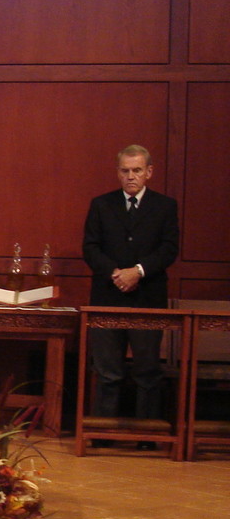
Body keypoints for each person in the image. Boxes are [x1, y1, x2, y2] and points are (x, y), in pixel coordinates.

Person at [81, 144, 180, 439]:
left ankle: (146, 437)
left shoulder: (165, 206)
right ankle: (103, 432)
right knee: (108, 371)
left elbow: (169, 249)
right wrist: (116, 274)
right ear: (118, 172)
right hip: (107, 297)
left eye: (137, 170)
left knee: (147, 373)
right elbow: (90, 248)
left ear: (149, 172)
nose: (130, 176)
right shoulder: (101, 204)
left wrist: (137, 272)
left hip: (147, 297)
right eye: (125, 171)